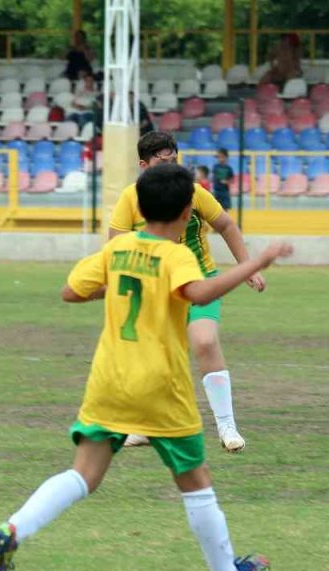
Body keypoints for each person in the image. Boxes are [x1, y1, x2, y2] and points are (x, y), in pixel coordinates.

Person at [0, 164, 286, 571]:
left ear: (139, 207)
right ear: (185, 213)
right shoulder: (178, 255)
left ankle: (13, 528)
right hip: (161, 387)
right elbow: (200, 292)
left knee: (83, 473)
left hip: (110, 382)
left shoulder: (115, 251)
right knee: (197, 484)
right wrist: (258, 260)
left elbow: (71, 292)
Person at [109, 132, 266, 453]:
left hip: (199, 282)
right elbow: (116, 246)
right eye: (160, 162)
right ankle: (144, 427)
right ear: (143, 165)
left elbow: (226, 226)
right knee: (151, 358)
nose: (169, 167)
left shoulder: (194, 193)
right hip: (153, 289)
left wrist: (248, 267)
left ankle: (227, 427)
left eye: (173, 160)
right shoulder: (129, 198)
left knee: (205, 341)